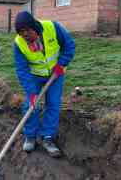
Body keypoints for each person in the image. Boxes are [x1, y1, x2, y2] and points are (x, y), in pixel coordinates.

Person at [14, 11, 75, 157]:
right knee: (31, 105)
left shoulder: (52, 27)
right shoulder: (19, 43)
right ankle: (30, 136)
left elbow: (69, 45)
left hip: (56, 73)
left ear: (34, 27)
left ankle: (47, 137)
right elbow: (21, 69)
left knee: (53, 104)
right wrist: (31, 93)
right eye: (22, 33)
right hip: (35, 76)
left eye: (27, 31)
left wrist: (61, 64)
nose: (26, 35)